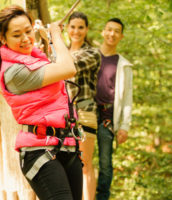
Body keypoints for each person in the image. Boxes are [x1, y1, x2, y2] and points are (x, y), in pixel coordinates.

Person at [0, 5, 83, 200]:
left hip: (66, 142)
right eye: (16, 35)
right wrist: (56, 34)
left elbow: (57, 71)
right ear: (3, 39)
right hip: (39, 149)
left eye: (28, 31)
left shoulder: (36, 60)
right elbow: (68, 68)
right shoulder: (14, 72)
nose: (25, 38)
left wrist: (51, 42)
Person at [95, 18, 132, 200]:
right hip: (85, 114)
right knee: (77, 159)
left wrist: (125, 126)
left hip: (108, 118)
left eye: (116, 31)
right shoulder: (91, 55)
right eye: (109, 30)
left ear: (121, 36)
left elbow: (127, 97)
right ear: (103, 32)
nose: (112, 34)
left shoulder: (124, 65)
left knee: (105, 164)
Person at [66, 12, 101, 200]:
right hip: (62, 115)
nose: (76, 31)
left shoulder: (92, 53)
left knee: (85, 164)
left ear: (86, 29)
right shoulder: (61, 51)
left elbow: (70, 66)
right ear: (67, 28)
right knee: (65, 164)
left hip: (84, 111)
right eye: (73, 27)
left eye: (80, 27)